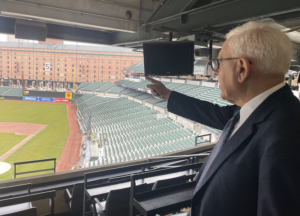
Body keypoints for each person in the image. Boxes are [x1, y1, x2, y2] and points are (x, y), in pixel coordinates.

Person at [146, 19, 300, 216]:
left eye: (218, 63)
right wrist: (168, 94)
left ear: (242, 69)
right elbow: (212, 112)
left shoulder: (287, 136)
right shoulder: (253, 111)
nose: (215, 71)